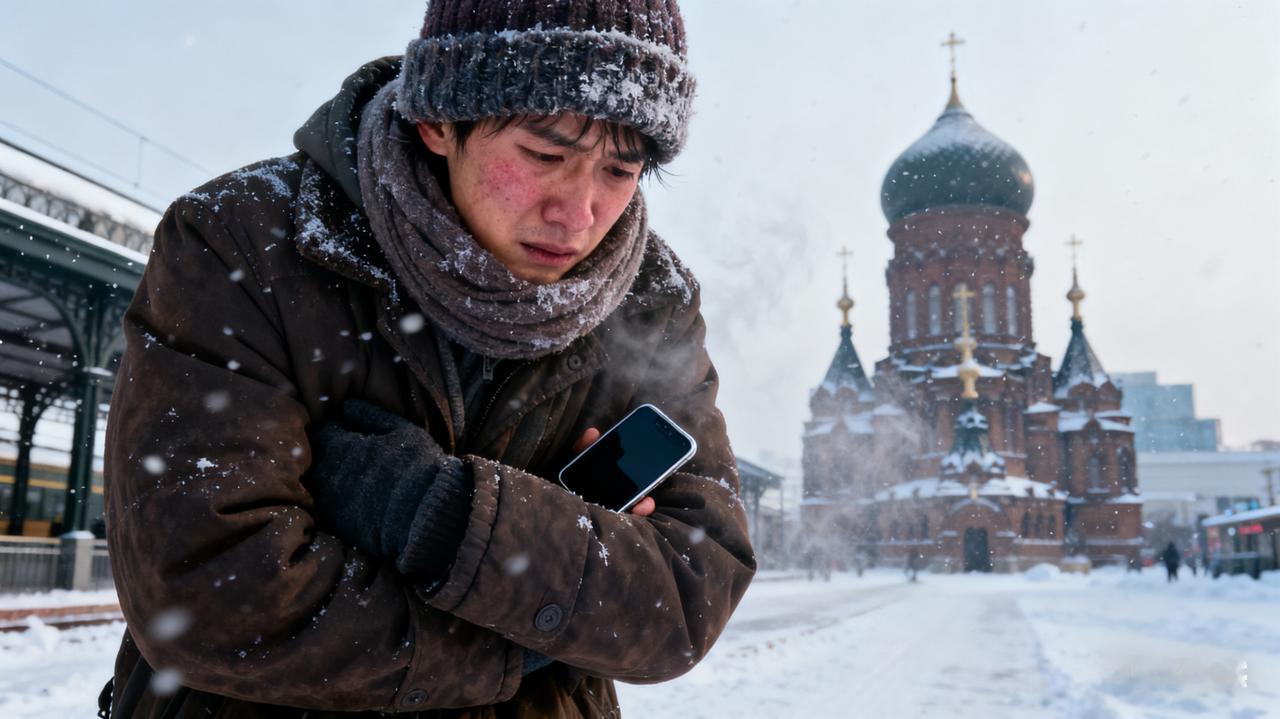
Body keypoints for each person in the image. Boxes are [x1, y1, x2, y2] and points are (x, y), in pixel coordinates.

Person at [101, 2, 756, 717]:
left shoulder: (652, 302)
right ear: (439, 121)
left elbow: (690, 593)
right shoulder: (244, 244)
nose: (580, 212)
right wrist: (533, 632)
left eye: (621, 169)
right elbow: (207, 594)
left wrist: (437, 517)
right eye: (544, 155)